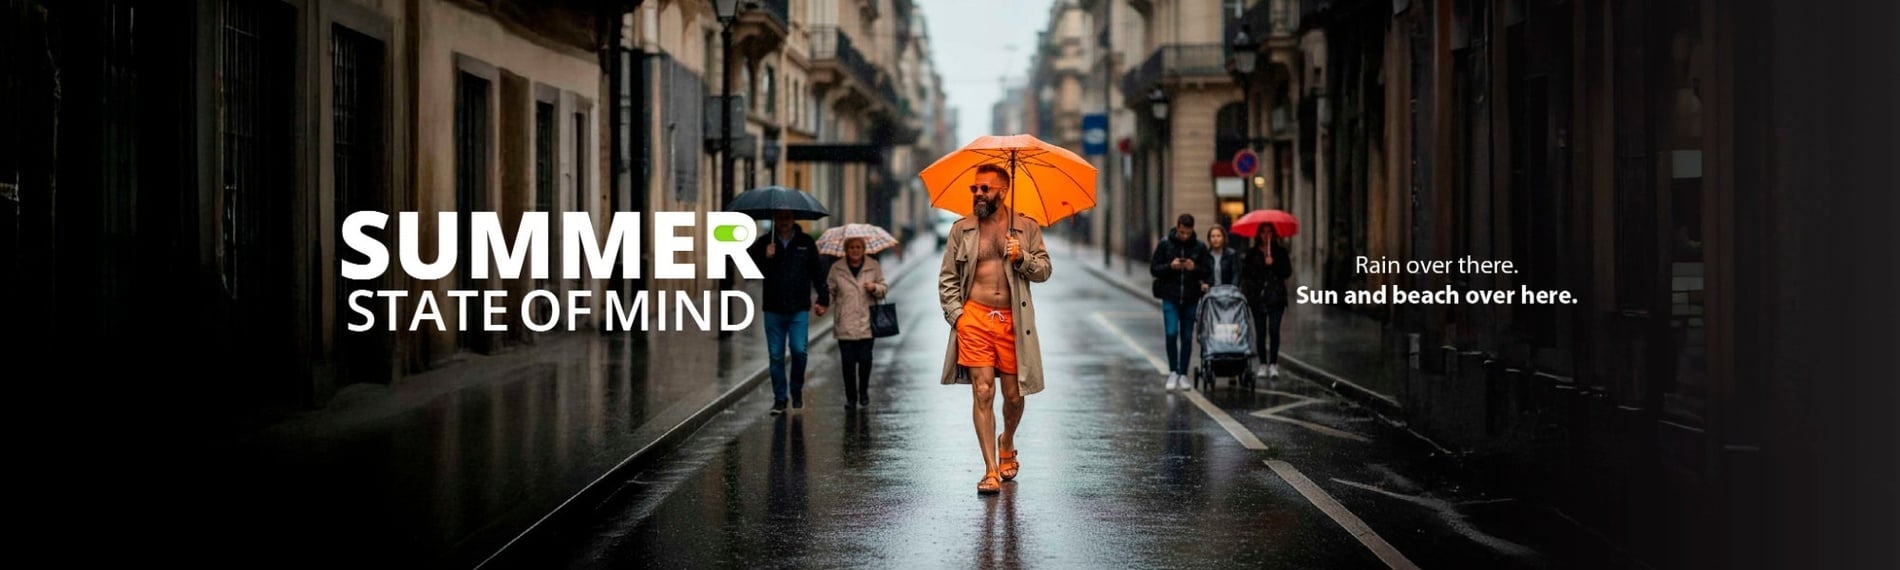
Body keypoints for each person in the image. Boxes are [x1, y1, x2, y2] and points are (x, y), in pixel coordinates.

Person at [938, 163, 1052, 495]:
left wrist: (1022, 257)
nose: (977, 193)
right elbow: (947, 278)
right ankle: (990, 470)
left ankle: (1007, 440)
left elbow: (1044, 270)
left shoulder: (1026, 228)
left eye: (984, 188)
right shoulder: (962, 230)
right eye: (974, 188)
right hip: (974, 318)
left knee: (1014, 396)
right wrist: (957, 316)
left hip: (1013, 321)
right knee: (983, 391)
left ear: (1003, 191)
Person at [748, 210, 831, 414]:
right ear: (774, 219)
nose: (784, 222)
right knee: (776, 356)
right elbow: (748, 269)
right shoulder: (764, 242)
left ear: (793, 219)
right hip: (773, 308)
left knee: (799, 350)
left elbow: (817, 272)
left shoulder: (805, 242)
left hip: (798, 308)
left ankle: (796, 389)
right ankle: (780, 399)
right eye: (780, 218)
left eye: (787, 217)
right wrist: (764, 257)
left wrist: (823, 298)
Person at [827, 237, 888, 410]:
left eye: (858, 247)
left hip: (867, 322)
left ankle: (863, 392)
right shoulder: (836, 268)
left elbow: (884, 287)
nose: (855, 250)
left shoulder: (873, 266)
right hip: (845, 323)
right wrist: (823, 304)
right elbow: (830, 290)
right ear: (846, 250)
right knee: (848, 363)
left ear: (864, 249)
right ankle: (851, 398)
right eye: (852, 247)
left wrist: (875, 288)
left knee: (865, 360)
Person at [1150, 213, 1209, 391]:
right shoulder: (1165, 244)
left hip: (1191, 297)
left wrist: (1194, 268)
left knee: (1187, 337)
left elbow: (1207, 270)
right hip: (1170, 296)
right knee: (1171, 333)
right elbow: (1154, 269)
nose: (1185, 236)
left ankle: (1183, 373)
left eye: (1188, 233)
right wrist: (1170, 266)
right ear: (1177, 227)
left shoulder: (1199, 247)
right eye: (1182, 232)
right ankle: (1173, 371)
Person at [1240, 225, 1293, 379]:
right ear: (1258, 235)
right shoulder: (1252, 253)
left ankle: (1273, 363)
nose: (1266, 235)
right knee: (1261, 331)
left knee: (1274, 330)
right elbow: (1246, 273)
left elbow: (1287, 272)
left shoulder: (1280, 252)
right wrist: (1262, 266)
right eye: (1263, 232)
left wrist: (1273, 263)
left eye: (1269, 232)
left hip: (1276, 297)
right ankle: (1263, 363)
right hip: (1258, 298)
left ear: (1274, 234)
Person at [1199, 225, 1241, 292]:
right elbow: (1201, 274)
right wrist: (1203, 284)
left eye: (1218, 236)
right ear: (1209, 239)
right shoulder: (1206, 255)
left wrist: (1233, 289)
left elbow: (1236, 274)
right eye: (1213, 236)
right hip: (1211, 293)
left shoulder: (1231, 254)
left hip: (1228, 292)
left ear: (1223, 238)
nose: (1215, 239)